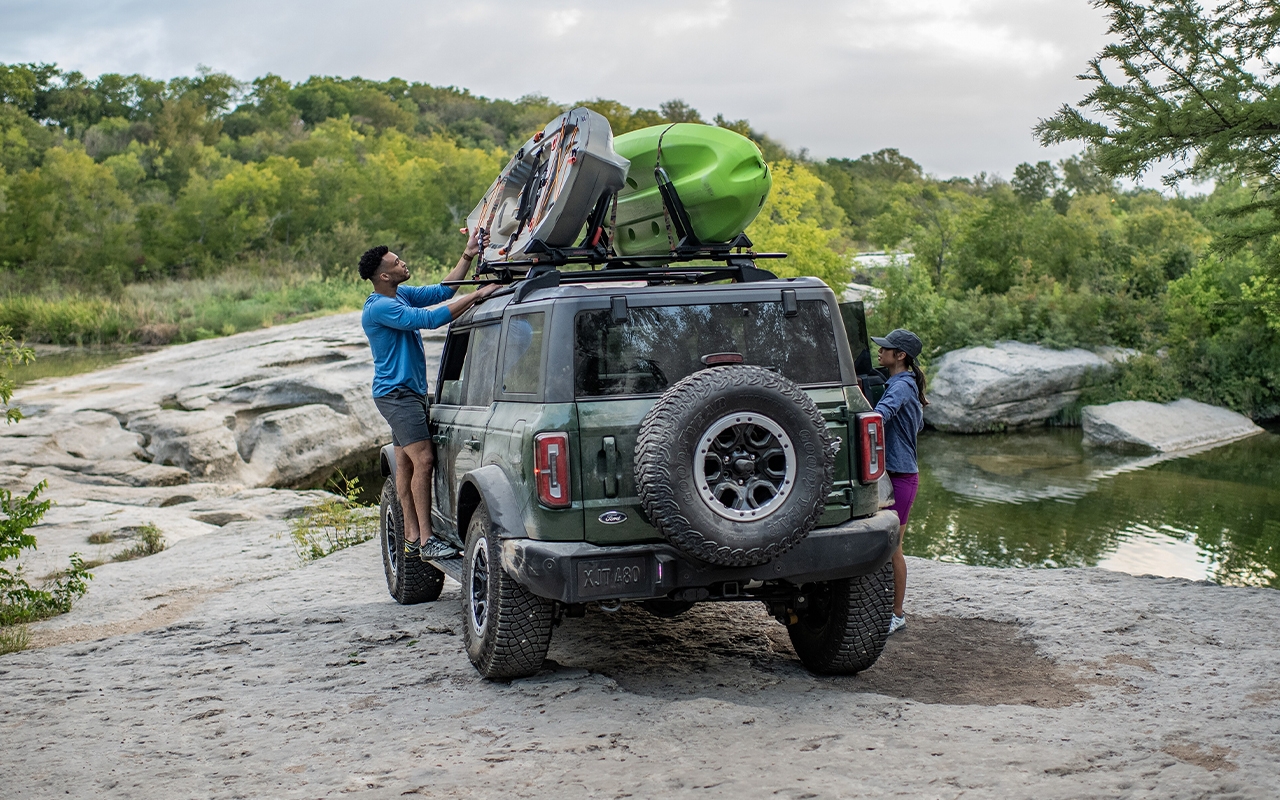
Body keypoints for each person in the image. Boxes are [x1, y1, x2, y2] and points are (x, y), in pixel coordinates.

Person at [359, 232, 497, 560]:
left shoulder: (399, 294)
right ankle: (425, 540)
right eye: (396, 263)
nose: (402, 263)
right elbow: (430, 319)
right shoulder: (381, 308)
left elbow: (441, 292)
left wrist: (467, 255)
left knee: (406, 465)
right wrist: (478, 296)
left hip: (406, 393)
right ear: (384, 276)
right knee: (424, 460)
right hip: (398, 396)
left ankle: (410, 534)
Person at [869, 328, 927, 635]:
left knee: (894, 546)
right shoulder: (902, 384)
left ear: (900, 356)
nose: (880, 352)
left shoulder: (901, 387)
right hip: (895, 474)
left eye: (886, 349)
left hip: (902, 477)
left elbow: (879, 417)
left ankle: (897, 614)